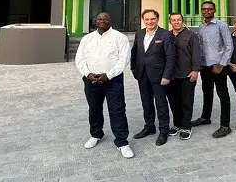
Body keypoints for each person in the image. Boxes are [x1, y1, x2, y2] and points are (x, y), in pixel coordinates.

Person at [75, 12, 134, 158]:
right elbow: (80, 59)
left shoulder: (120, 37)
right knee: (94, 109)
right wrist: (88, 74)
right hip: (91, 80)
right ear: (96, 21)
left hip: (113, 81)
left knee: (117, 110)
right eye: (100, 19)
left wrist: (108, 75)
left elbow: (123, 60)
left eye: (105, 19)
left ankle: (122, 142)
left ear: (110, 21)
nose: (102, 21)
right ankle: (96, 134)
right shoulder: (87, 39)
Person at [131, 9, 177, 146]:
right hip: (142, 74)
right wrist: (133, 69)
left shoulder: (166, 35)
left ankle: (164, 131)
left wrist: (167, 75)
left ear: (157, 19)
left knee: (161, 104)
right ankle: (149, 127)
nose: (150, 22)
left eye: (152, 19)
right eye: (147, 19)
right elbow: (135, 51)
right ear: (143, 20)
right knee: (146, 102)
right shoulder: (139, 33)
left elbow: (171, 57)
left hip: (159, 76)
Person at [191, 1, 234, 139]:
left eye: (209, 9)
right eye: (204, 9)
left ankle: (225, 126)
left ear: (214, 10)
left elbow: (229, 46)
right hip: (205, 66)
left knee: (223, 95)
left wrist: (222, 64)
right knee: (207, 92)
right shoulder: (201, 26)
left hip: (218, 66)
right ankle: (205, 117)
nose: (206, 11)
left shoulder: (221, 25)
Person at [166, 12, 204, 140]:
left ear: (182, 21)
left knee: (186, 101)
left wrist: (195, 70)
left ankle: (186, 126)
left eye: (179, 20)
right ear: (170, 22)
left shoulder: (191, 35)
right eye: (174, 20)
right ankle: (177, 124)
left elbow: (197, 53)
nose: (176, 22)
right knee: (174, 101)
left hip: (187, 74)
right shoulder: (167, 35)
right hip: (171, 75)